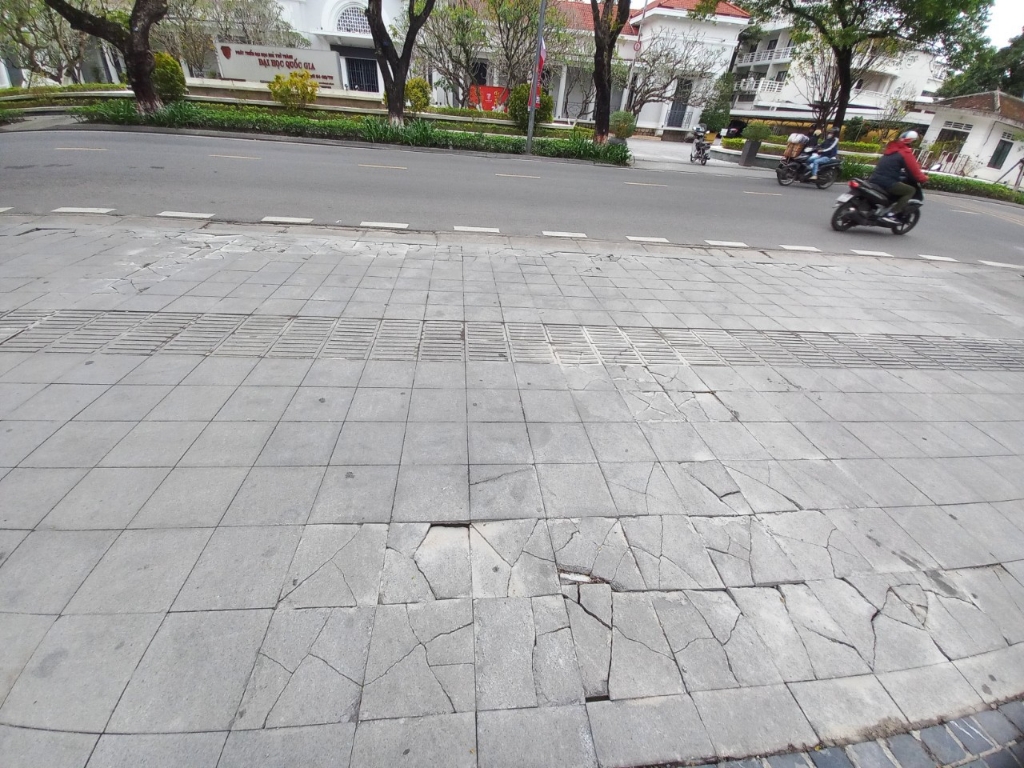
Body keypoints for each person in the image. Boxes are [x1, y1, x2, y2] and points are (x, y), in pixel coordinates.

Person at [868, 130, 929, 224]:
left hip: (874, 178)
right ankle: (892, 214)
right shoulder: (905, 152)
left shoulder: (890, 149)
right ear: (911, 141)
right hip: (887, 182)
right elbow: (915, 171)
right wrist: (924, 179)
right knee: (910, 190)